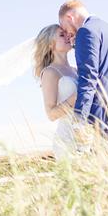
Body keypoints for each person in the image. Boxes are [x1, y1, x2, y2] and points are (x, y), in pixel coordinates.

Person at [58, 0, 108, 161]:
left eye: (64, 27)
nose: (68, 33)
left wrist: (79, 121)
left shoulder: (86, 32)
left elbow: (88, 79)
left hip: (104, 118)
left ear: (69, 17)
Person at [33, 24, 88, 160]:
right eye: (62, 35)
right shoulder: (50, 72)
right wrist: (77, 96)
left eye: (67, 34)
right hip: (67, 141)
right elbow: (51, 114)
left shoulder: (76, 70)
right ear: (50, 44)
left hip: (86, 136)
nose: (68, 37)